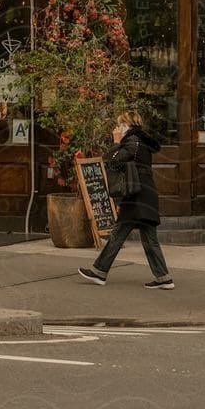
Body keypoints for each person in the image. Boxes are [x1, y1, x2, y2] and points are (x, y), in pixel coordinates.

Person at [78, 111, 174, 289]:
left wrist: (116, 142)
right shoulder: (141, 141)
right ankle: (163, 277)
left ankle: (99, 272)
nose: (118, 129)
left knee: (119, 234)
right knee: (146, 238)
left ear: (127, 126)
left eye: (121, 125)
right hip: (144, 194)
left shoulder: (132, 141)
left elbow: (113, 161)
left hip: (136, 196)